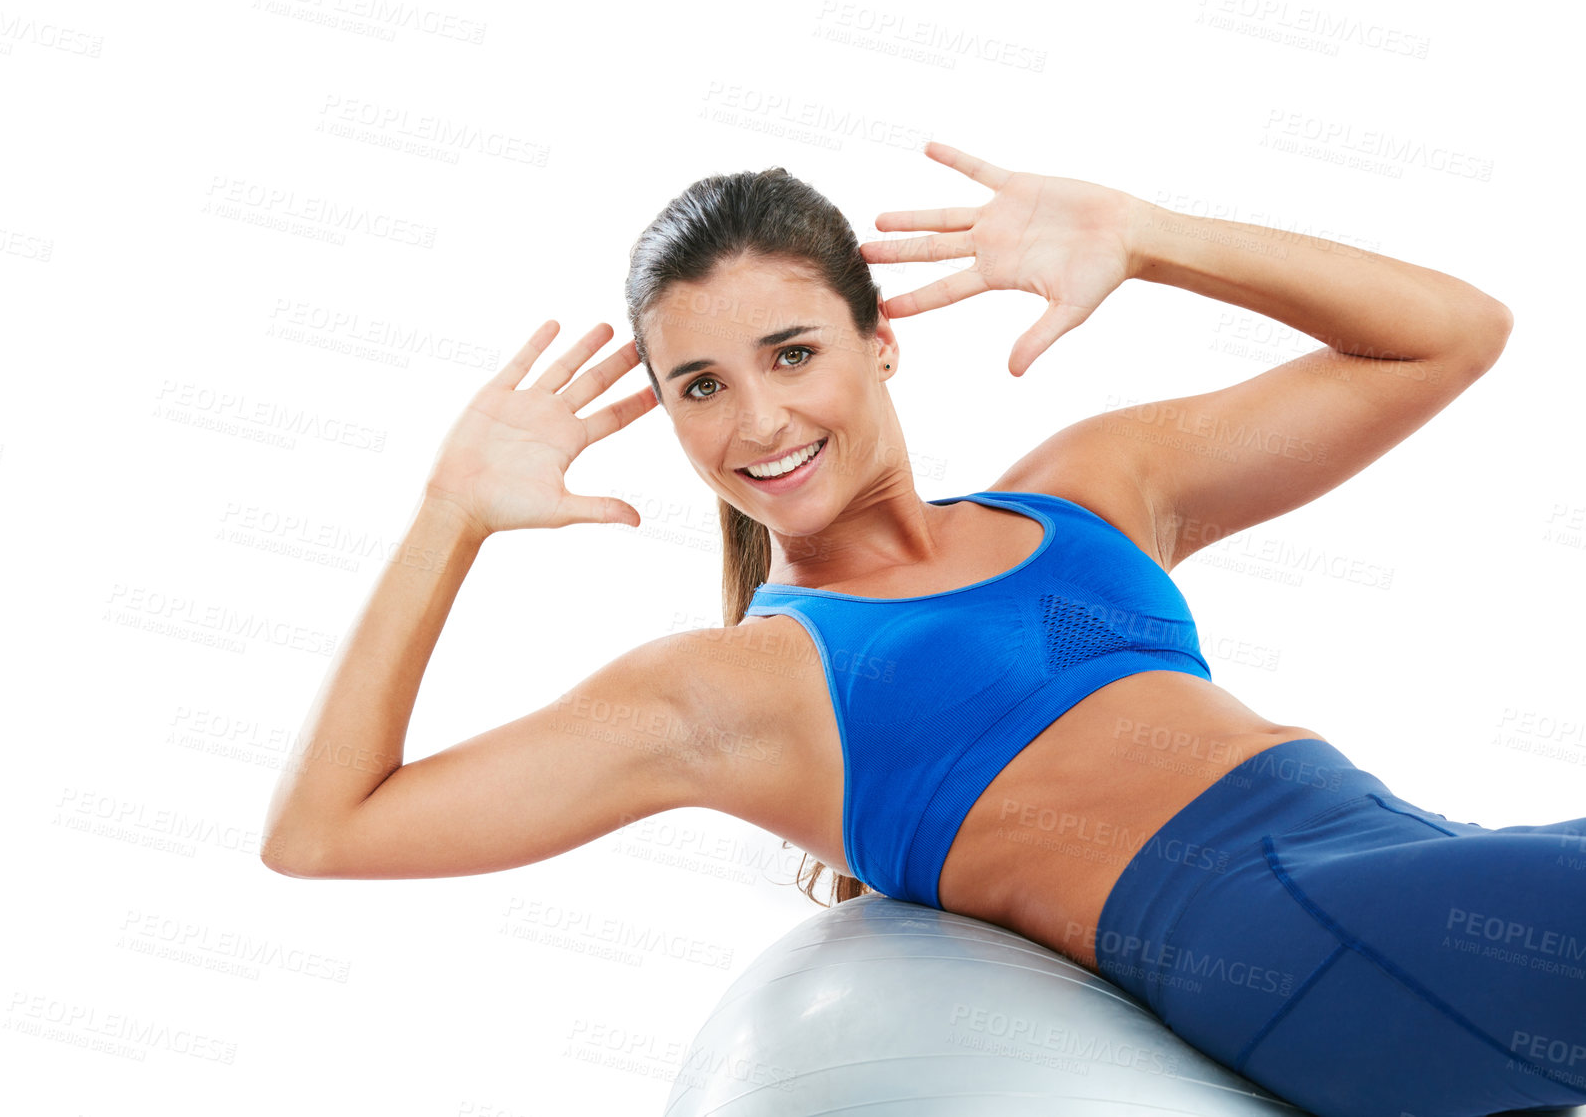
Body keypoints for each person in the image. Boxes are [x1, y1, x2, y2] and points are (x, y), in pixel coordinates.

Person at [260, 142, 1585, 1117]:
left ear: (880, 338)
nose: (760, 424)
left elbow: (1448, 338)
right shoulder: (735, 692)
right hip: (1292, 942)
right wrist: (450, 515)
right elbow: (326, 830)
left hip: (1413, 856)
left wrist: (1150, 232)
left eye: (791, 354)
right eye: (701, 386)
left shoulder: (1091, 488)